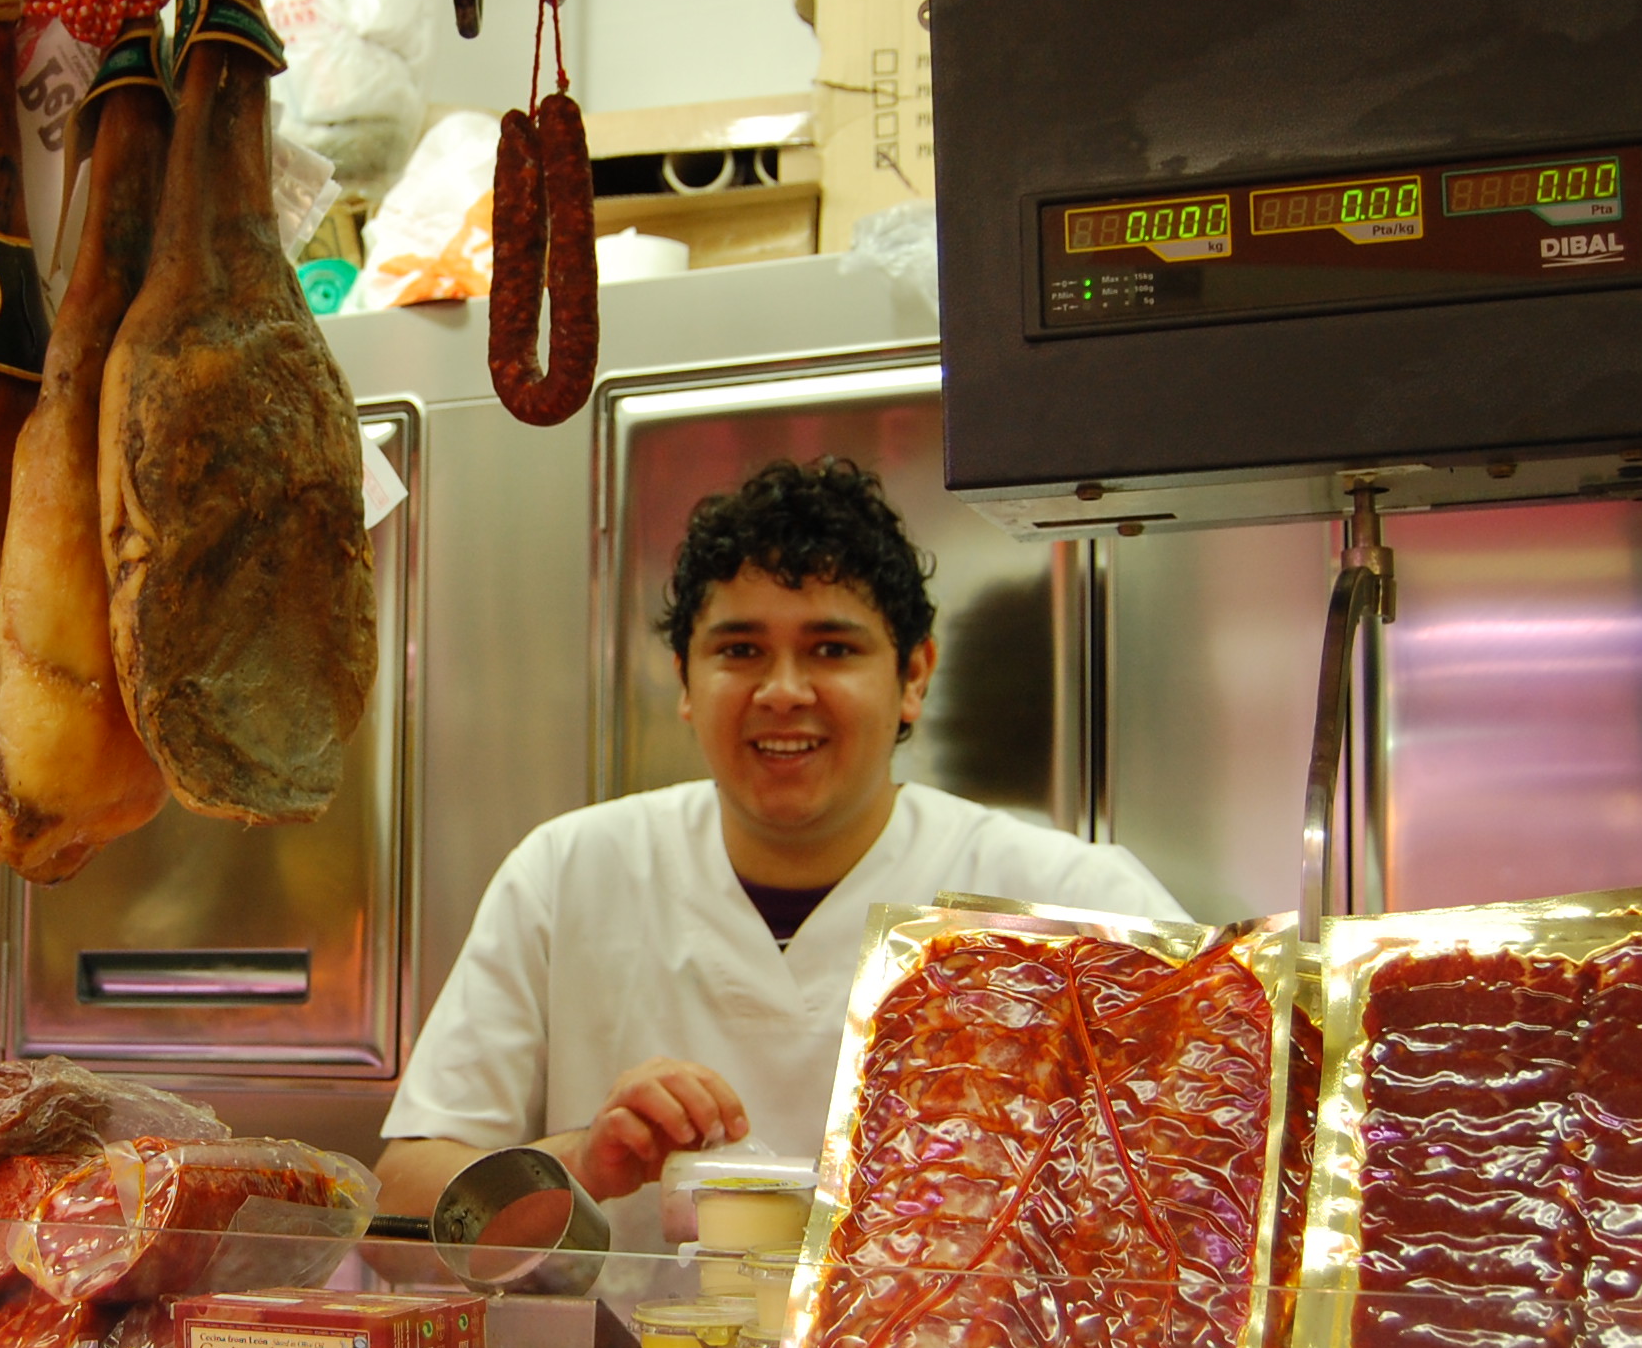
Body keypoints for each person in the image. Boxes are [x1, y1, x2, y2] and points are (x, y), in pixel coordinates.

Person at [375, 457, 1184, 1249]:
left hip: (962, 1343)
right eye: (740, 650)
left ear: (914, 675)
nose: (783, 691)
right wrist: (580, 1162)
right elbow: (395, 1214)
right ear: (684, 681)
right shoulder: (568, 874)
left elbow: (1221, 1166)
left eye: (832, 649)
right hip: (632, 1345)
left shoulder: (1063, 895)